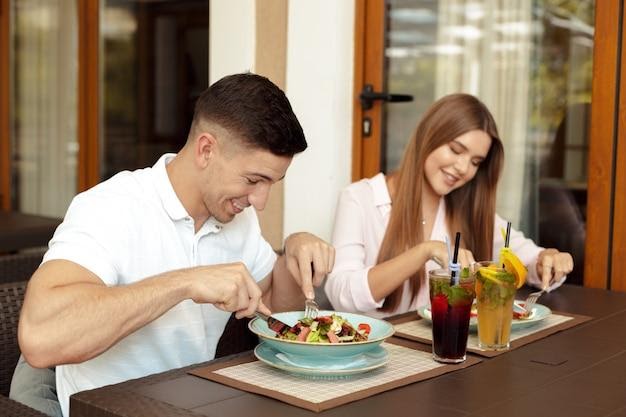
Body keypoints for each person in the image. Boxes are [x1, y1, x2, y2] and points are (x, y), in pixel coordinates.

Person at [16, 73, 335, 417]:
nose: (260, 201)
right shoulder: (110, 207)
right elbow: (39, 338)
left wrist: (293, 251)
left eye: (271, 183)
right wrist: (184, 282)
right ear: (206, 150)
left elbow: (276, 306)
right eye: (253, 180)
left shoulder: (236, 218)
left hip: (192, 406)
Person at [325, 93, 573, 318]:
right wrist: (423, 251)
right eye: (455, 150)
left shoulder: (465, 207)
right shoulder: (360, 198)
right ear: (428, 137)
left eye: (475, 162)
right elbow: (343, 295)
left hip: (447, 348)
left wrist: (546, 260)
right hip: (380, 353)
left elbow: (523, 255)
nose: (464, 168)